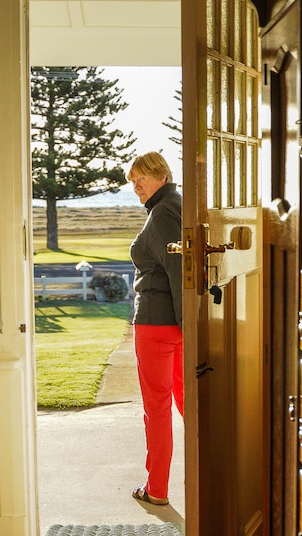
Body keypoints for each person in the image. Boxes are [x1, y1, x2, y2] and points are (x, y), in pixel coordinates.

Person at [127, 152, 183, 506]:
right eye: (132, 182)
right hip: (175, 325)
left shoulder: (163, 213)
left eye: (141, 179)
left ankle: (157, 488)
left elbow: (178, 269)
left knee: (157, 407)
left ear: (161, 174)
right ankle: (214, 475)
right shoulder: (176, 203)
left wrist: (185, 321)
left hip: (156, 324)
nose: (136, 187)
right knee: (186, 401)